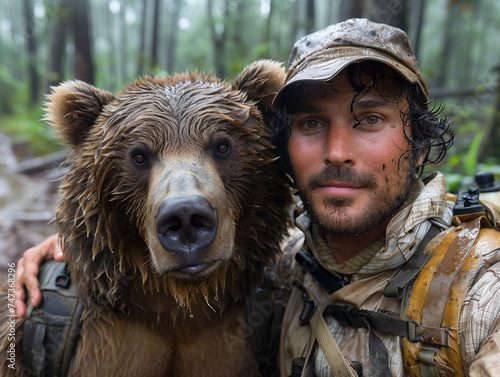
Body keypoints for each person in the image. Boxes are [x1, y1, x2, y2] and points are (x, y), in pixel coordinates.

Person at [14, 18, 500, 377]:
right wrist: (71, 245)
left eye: (369, 119)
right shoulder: (287, 267)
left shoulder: (482, 292)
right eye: (312, 123)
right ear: (286, 145)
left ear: (418, 144)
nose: (337, 151)